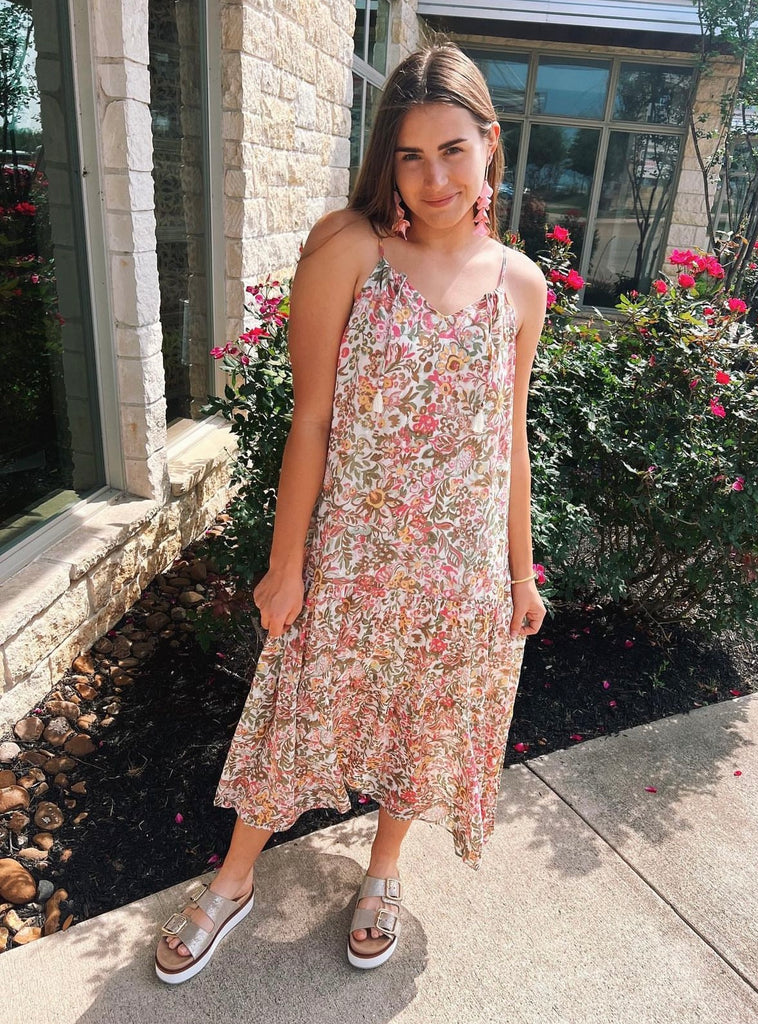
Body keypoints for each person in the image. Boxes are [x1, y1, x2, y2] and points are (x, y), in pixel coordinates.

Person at [154, 42, 547, 984]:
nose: (434, 178)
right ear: (387, 163)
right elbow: (312, 421)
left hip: (459, 569)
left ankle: (382, 872)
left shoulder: (519, 285)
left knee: (422, 720)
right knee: (291, 715)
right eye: (410, 156)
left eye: (452, 150)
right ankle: (233, 881)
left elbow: (510, 439)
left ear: (489, 144)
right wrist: (286, 563)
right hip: (352, 553)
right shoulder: (352, 251)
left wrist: (519, 572)